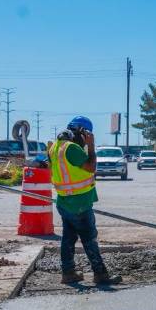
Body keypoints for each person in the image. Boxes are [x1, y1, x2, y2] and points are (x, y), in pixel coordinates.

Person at [48, 116, 122, 285]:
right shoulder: (71, 149)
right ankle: (101, 275)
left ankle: (68, 273)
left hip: (65, 202)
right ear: (81, 132)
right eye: (86, 134)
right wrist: (91, 145)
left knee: (68, 238)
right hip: (79, 204)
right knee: (89, 239)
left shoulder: (55, 147)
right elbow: (91, 167)